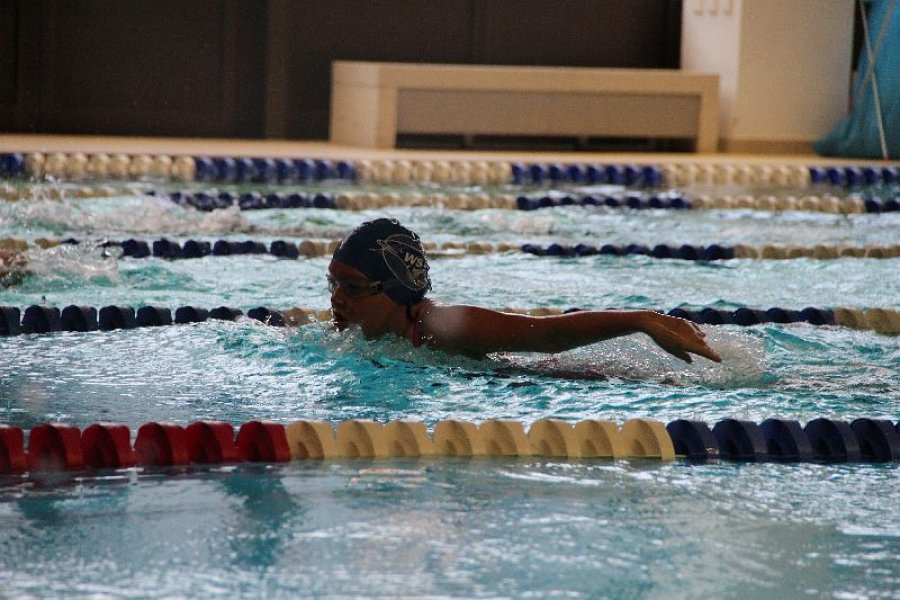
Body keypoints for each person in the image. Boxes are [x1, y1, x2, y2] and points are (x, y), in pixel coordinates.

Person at [328, 218, 722, 364]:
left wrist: (641, 320)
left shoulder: (442, 325)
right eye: (334, 283)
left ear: (397, 291)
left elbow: (545, 336)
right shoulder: (367, 335)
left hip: (565, 381)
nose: (337, 297)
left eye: (353, 287)